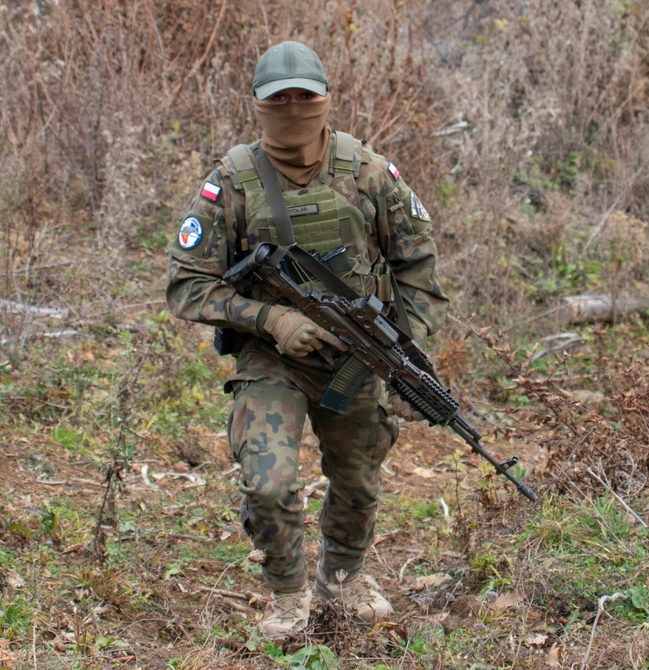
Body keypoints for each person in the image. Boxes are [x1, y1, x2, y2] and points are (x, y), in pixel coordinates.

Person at [165, 41, 449, 639]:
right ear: (258, 106)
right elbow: (187, 287)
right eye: (279, 100)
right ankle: (288, 592)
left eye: (305, 97)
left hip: (358, 353)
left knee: (358, 477)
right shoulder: (231, 184)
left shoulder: (369, 173)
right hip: (273, 361)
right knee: (267, 480)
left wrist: (409, 360)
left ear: (326, 100)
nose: (293, 108)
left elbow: (417, 266)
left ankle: (342, 577)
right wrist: (272, 322)